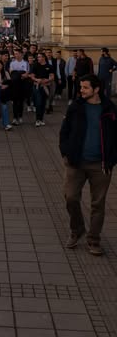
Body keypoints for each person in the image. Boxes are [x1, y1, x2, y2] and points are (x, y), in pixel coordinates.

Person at [60, 74, 117, 256]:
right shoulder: (76, 107)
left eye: (85, 88)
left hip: (100, 165)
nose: (81, 90)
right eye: (81, 87)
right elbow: (65, 131)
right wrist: (66, 152)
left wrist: (111, 159)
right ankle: (77, 229)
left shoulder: (109, 109)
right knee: (70, 197)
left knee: (97, 204)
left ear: (96, 89)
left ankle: (94, 239)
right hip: (76, 162)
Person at [29, 52, 54, 127]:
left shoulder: (49, 66)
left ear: (43, 57)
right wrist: (37, 80)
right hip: (37, 86)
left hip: (46, 86)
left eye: (39, 57)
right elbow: (32, 76)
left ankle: (41, 119)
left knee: (43, 103)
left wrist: (47, 80)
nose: (38, 58)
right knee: (38, 103)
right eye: (38, 57)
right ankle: (37, 120)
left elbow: (52, 77)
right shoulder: (35, 65)